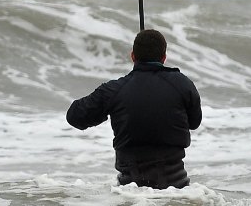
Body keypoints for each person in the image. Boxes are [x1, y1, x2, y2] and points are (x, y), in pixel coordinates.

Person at [66, 29, 202, 189]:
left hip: (131, 194)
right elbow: (194, 122)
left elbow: (74, 116)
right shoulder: (183, 84)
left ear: (133, 56)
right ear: (164, 57)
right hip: (178, 191)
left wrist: (108, 107)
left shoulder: (114, 90)